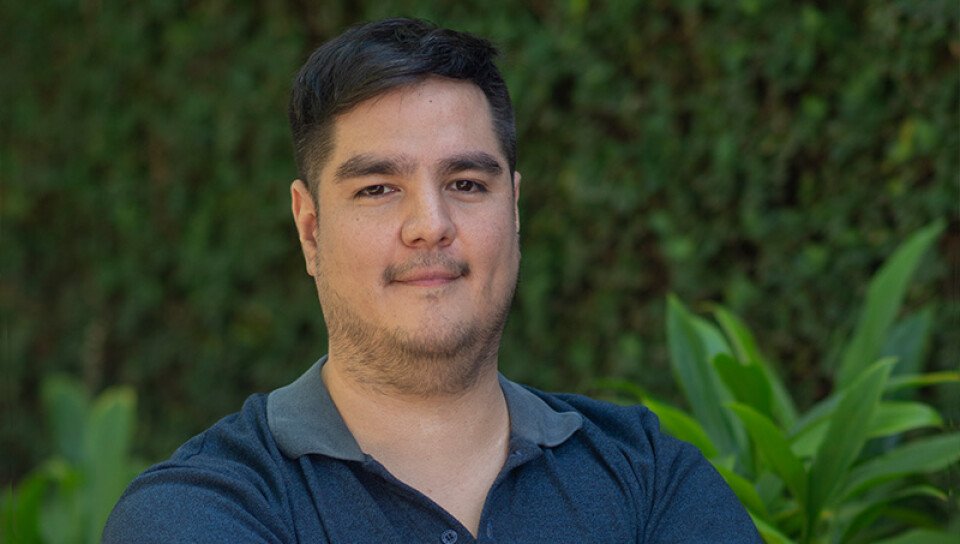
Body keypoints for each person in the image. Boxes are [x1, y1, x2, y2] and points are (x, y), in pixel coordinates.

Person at [103, 18, 761, 543]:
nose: (431, 225)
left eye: (466, 183)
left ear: (514, 211)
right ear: (310, 230)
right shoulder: (202, 510)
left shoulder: (648, 477)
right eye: (378, 188)